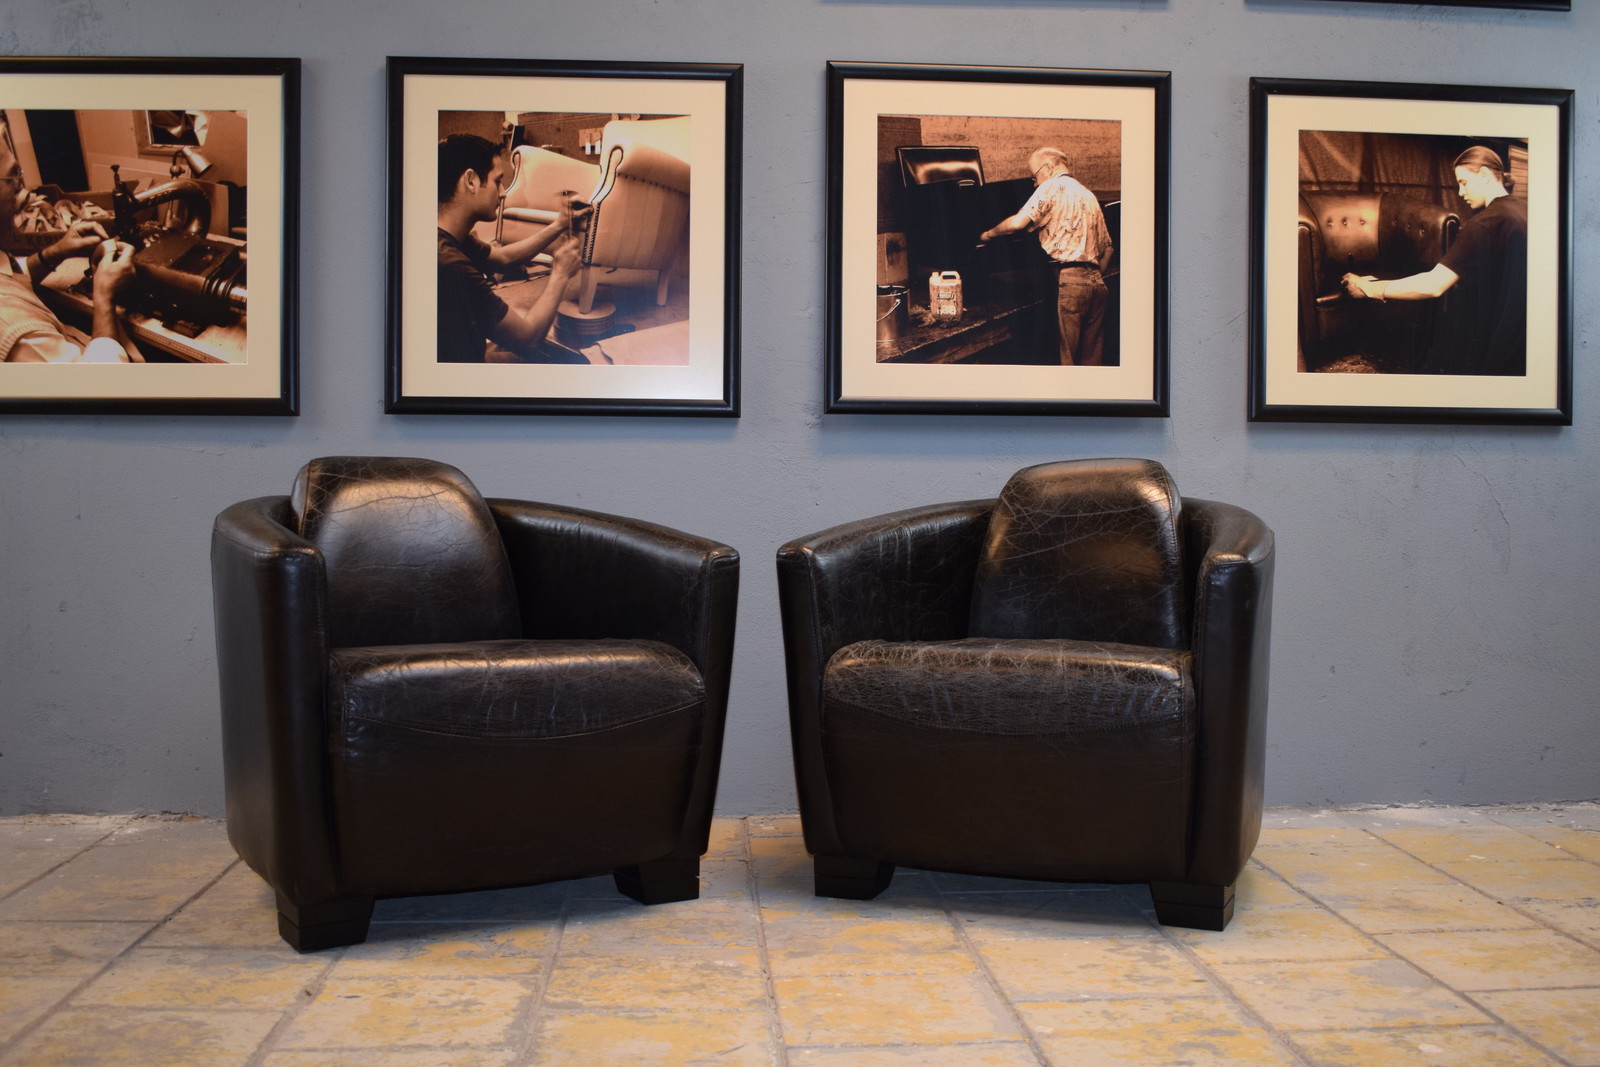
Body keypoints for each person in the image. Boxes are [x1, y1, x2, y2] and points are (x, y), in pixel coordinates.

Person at [1341, 146, 1527, 376]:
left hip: (1501, 348)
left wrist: (1367, 287)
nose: (1461, 192)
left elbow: (1432, 285)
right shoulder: (1523, 209)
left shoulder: (1485, 224)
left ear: (1485, 175)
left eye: (1464, 182)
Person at [0, 117, 143, 363]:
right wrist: (104, 297)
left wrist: (55, 252)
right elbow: (97, 385)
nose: (22, 188)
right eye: (11, 176)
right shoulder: (17, 331)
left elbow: (10, 280)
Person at [436, 133, 584, 363]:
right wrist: (560, 274)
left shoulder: (447, 237)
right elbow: (527, 339)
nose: (503, 192)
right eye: (497, 181)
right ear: (471, 181)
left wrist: (559, 224)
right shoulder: (451, 264)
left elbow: (503, 258)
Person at [977, 147, 1114, 366]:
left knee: (1067, 361)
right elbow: (1108, 249)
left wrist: (988, 234)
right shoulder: (1088, 195)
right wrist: (1090, 278)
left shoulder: (1050, 187)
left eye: (1034, 176)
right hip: (1098, 286)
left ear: (1048, 167)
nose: (1034, 184)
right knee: (1091, 364)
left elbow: (1017, 223)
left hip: (1070, 284)